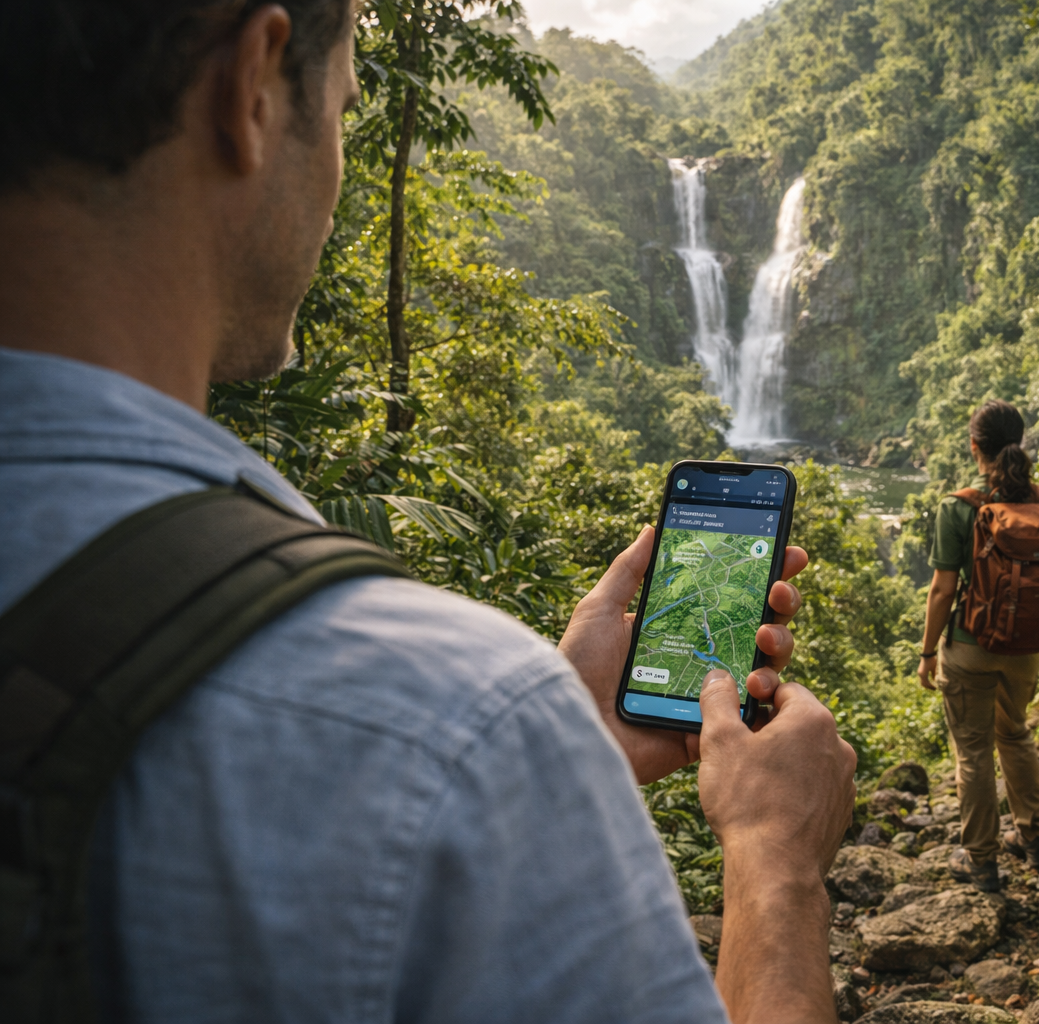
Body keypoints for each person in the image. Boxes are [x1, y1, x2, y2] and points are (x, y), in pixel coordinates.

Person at [0, 3, 855, 1022]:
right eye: (350, 109)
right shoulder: (444, 725)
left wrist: (561, 741)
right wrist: (774, 859)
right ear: (251, 89)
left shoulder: (466, 733)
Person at [916, 400, 1039, 892]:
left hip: (970, 646)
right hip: (1026, 648)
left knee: (974, 753)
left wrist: (927, 652)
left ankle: (982, 862)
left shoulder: (959, 505)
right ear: (1019, 442)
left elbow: (942, 590)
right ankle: (1037, 844)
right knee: (1016, 735)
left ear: (973, 446)